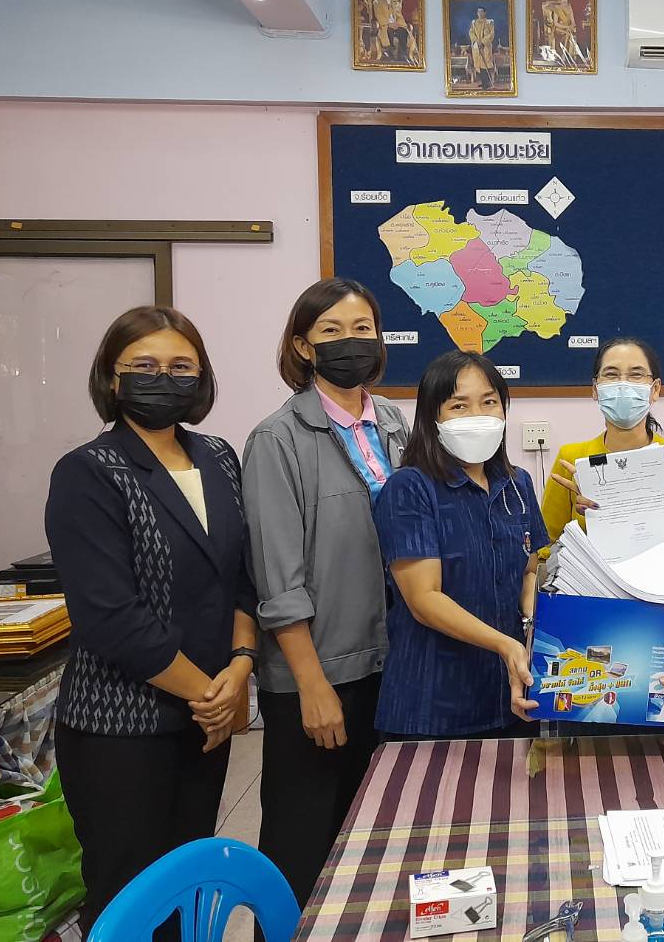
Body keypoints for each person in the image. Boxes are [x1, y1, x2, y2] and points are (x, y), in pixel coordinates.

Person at [46, 306, 256, 934]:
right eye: (144, 365)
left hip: (204, 719)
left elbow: (241, 577)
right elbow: (110, 617)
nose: (164, 378)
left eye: (181, 367)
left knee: (187, 888)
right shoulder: (88, 470)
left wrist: (241, 666)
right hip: (121, 727)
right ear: (112, 378)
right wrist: (211, 696)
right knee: (130, 902)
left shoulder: (218, 457)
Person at [242, 277, 409, 906]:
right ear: (303, 346)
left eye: (362, 329)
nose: (350, 341)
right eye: (331, 331)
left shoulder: (392, 422)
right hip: (318, 674)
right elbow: (277, 579)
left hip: (389, 662)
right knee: (304, 842)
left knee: (375, 836)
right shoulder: (277, 439)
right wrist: (312, 686)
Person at [373, 351, 548, 738]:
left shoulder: (517, 483)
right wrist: (505, 644)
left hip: (511, 695)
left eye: (489, 402)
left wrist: (538, 624)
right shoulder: (409, 488)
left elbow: (530, 569)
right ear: (432, 418)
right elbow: (424, 599)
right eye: (459, 405)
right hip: (432, 704)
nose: (478, 415)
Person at [541, 337, 664, 549]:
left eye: (636, 374)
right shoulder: (571, 459)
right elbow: (546, 544)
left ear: (655, 389)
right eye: (611, 374)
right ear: (595, 389)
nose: (623, 385)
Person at [469, 6, 497, 89]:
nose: (480, 13)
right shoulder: (474, 23)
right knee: (478, 65)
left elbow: (491, 34)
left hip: (485, 47)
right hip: (477, 46)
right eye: (478, 12)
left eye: (481, 12)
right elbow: (471, 33)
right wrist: (476, 41)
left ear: (485, 13)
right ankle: (483, 82)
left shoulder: (489, 22)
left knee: (486, 64)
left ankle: (487, 83)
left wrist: (483, 42)